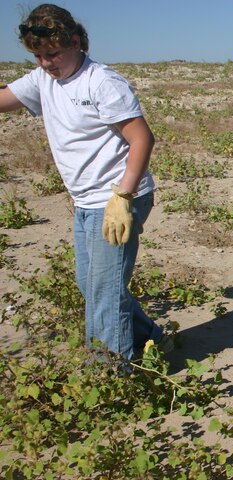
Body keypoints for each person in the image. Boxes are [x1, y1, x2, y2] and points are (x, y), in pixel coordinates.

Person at [0, 4, 168, 361]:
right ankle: (149, 336)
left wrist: (122, 196)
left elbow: (142, 139)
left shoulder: (102, 83)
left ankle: (112, 375)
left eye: (53, 54)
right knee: (90, 285)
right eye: (39, 56)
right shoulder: (43, 78)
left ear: (76, 41)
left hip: (119, 198)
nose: (46, 63)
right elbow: (3, 99)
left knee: (105, 292)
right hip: (86, 202)